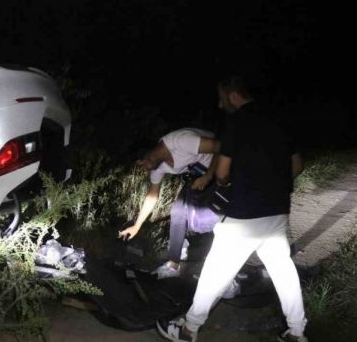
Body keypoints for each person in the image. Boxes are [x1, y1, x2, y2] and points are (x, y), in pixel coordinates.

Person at [157, 76, 308, 342]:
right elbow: (297, 165)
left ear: (233, 96)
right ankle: (297, 331)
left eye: (221, 98)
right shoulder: (279, 120)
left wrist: (224, 181)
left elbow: (223, 171)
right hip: (277, 211)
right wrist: (275, 187)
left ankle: (188, 329)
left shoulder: (237, 122)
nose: (219, 104)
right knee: (283, 270)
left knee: (215, 271)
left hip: (244, 214)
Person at [119, 127, 222, 278]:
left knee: (220, 219)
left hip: (222, 171)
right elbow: (152, 195)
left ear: (147, 155)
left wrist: (208, 175)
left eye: (140, 164)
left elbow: (222, 147)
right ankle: (174, 264)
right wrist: (137, 225)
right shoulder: (157, 166)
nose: (142, 169)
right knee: (178, 212)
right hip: (199, 176)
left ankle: (220, 266)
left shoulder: (180, 141)